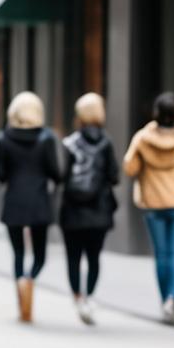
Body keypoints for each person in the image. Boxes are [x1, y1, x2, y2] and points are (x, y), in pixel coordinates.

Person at [123, 92, 174, 322]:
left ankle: (164, 301)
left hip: (154, 204)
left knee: (161, 255)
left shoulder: (143, 137)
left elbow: (129, 168)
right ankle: (173, 297)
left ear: (156, 113)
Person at [0, 91, 61, 323]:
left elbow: (0, 174)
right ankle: (29, 281)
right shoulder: (47, 138)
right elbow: (55, 172)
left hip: (13, 201)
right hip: (39, 202)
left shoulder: (3, 138)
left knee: (19, 252)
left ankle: (22, 300)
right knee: (40, 255)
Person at [60, 93, 119, 325]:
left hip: (72, 210)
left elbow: (61, 175)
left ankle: (78, 299)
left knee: (73, 257)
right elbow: (114, 176)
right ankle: (90, 297)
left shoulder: (69, 142)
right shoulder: (106, 143)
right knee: (94, 257)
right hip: (99, 210)